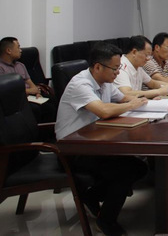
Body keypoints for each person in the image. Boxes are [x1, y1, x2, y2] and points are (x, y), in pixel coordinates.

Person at [55, 42, 149, 236]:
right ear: (98, 67)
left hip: (94, 142)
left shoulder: (105, 82)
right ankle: (106, 221)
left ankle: (90, 195)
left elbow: (123, 98)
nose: (117, 73)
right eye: (115, 69)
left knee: (139, 167)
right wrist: (132, 104)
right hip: (72, 149)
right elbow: (103, 110)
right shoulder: (80, 84)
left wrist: (149, 100)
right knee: (124, 172)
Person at [0, 36, 57, 123]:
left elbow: (31, 83)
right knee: (37, 109)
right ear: (8, 51)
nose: (20, 50)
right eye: (18, 47)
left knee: (54, 101)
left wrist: (37, 93)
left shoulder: (20, 65)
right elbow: (7, 91)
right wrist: (30, 91)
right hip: (16, 99)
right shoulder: (1, 68)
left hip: (30, 96)